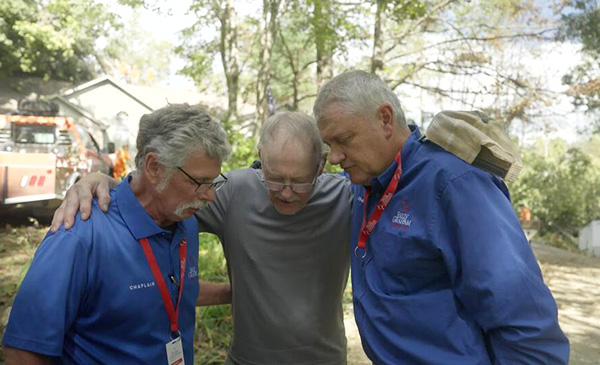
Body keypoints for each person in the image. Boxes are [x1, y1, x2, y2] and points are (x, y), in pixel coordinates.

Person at [49, 112, 353, 365]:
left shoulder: (348, 198)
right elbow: (157, 198)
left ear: (321, 164)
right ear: (261, 158)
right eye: (274, 179)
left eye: (300, 182)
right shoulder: (235, 191)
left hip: (325, 358)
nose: (286, 192)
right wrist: (103, 182)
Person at [313, 70, 569, 363]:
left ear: (385, 119)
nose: (334, 157)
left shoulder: (454, 184)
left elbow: (524, 317)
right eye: (329, 145)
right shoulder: (363, 185)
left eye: (344, 139)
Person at [2, 104, 231, 364]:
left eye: (213, 182)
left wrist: (239, 293)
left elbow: (172, 289)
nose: (210, 195)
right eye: (199, 182)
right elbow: (22, 352)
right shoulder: (80, 235)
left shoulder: (185, 220)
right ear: (154, 167)